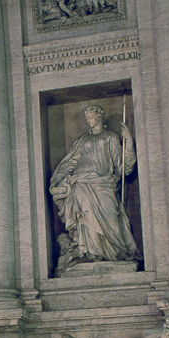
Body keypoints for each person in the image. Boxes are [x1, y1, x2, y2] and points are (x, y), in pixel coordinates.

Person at [49, 104, 138, 267]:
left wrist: (129, 141)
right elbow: (70, 163)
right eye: (87, 118)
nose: (89, 121)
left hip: (105, 184)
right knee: (85, 218)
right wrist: (55, 180)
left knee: (111, 217)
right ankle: (90, 252)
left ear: (100, 117)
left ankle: (114, 251)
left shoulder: (110, 137)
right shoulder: (82, 140)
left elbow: (122, 166)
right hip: (82, 183)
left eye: (92, 117)